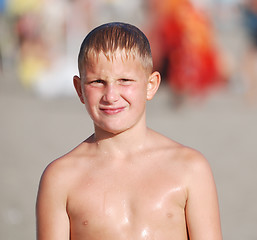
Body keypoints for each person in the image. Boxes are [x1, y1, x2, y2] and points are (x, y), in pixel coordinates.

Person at [36, 22, 222, 240]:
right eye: (97, 82)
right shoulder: (61, 178)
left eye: (124, 81)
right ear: (79, 90)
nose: (111, 95)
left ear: (151, 85)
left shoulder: (190, 168)